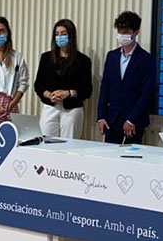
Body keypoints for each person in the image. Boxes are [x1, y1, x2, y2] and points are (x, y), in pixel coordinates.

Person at [97, 11, 155, 144]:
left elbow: (147, 93)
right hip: (111, 120)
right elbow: (105, 88)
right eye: (119, 31)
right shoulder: (112, 56)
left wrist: (132, 120)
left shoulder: (146, 59)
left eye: (126, 32)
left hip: (133, 122)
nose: (122, 35)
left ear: (136, 32)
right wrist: (101, 116)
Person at [33, 19, 93, 138]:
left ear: (71, 36)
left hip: (72, 109)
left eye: (63, 34)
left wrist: (68, 93)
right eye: (57, 34)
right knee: (46, 142)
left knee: (69, 143)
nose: (59, 37)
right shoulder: (46, 58)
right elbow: (38, 85)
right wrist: (49, 95)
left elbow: (87, 90)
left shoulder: (83, 60)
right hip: (50, 107)